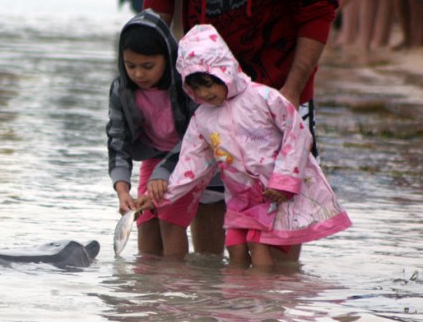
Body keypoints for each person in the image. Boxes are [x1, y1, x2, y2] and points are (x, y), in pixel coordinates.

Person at [142, 0, 341, 259]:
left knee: (284, 195)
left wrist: (292, 88)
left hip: (279, 77)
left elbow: (319, 10)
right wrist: (150, 83)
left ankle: (278, 294)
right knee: (209, 190)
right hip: (207, 86)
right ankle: (213, 293)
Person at [143, 24, 352, 268]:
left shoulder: (264, 98)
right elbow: (191, 164)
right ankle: (237, 301)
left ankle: (265, 301)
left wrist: (284, 181)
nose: (205, 92)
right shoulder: (202, 119)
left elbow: (298, 134)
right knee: (236, 252)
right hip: (239, 197)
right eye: (196, 87)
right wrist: (159, 198)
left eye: (209, 83)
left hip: (274, 193)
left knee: (261, 252)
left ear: (226, 71)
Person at [107, 9, 223, 257]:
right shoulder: (121, 90)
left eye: (148, 66)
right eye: (130, 65)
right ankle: (149, 289)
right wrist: (122, 189)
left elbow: (197, 133)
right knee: (144, 219)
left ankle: (174, 287)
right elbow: (118, 139)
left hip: (193, 156)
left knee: (170, 218)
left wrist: (164, 172)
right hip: (154, 157)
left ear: (168, 58)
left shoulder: (187, 85)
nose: (139, 74)